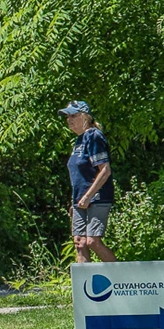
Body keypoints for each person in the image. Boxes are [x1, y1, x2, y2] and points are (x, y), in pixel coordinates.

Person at [60, 100, 117, 264]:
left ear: (85, 117)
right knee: (79, 242)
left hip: (97, 198)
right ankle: (82, 287)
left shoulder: (93, 136)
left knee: (92, 241)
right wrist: (76, 201)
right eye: (67, 116)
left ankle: (121, 280)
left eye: (74, 115)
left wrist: (88, 196)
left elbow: (105, 170)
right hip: (79, 200)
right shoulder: (79, 140)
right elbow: (79, 176)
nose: (69, 119)